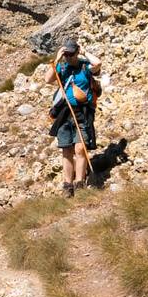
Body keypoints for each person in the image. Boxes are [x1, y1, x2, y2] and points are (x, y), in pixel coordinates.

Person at [50, 40, 96, 196]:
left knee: (80, 148)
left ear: (77, 52)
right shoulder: (61, 67)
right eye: (66, 54)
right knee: (66, 149)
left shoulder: (85, 66)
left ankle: (80, 182)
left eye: (71, 54)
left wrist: (84, 52)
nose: (68, 57)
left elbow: (98, 63)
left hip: (83, 112)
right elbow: (48, 79)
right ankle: (67, 185)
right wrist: (57, 58)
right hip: (65, 112)